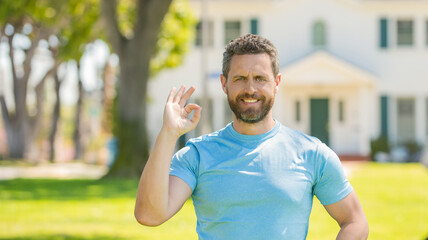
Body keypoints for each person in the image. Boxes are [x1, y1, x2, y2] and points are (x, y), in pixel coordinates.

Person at [134, 34, 369, 239]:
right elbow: (149, 215)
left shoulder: (312, 153)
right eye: (239, 79)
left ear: (277, 82)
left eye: (260, 78)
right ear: (224, 84)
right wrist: (168, 134)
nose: (250, 89)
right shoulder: (197, 155)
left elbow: (355, 222)